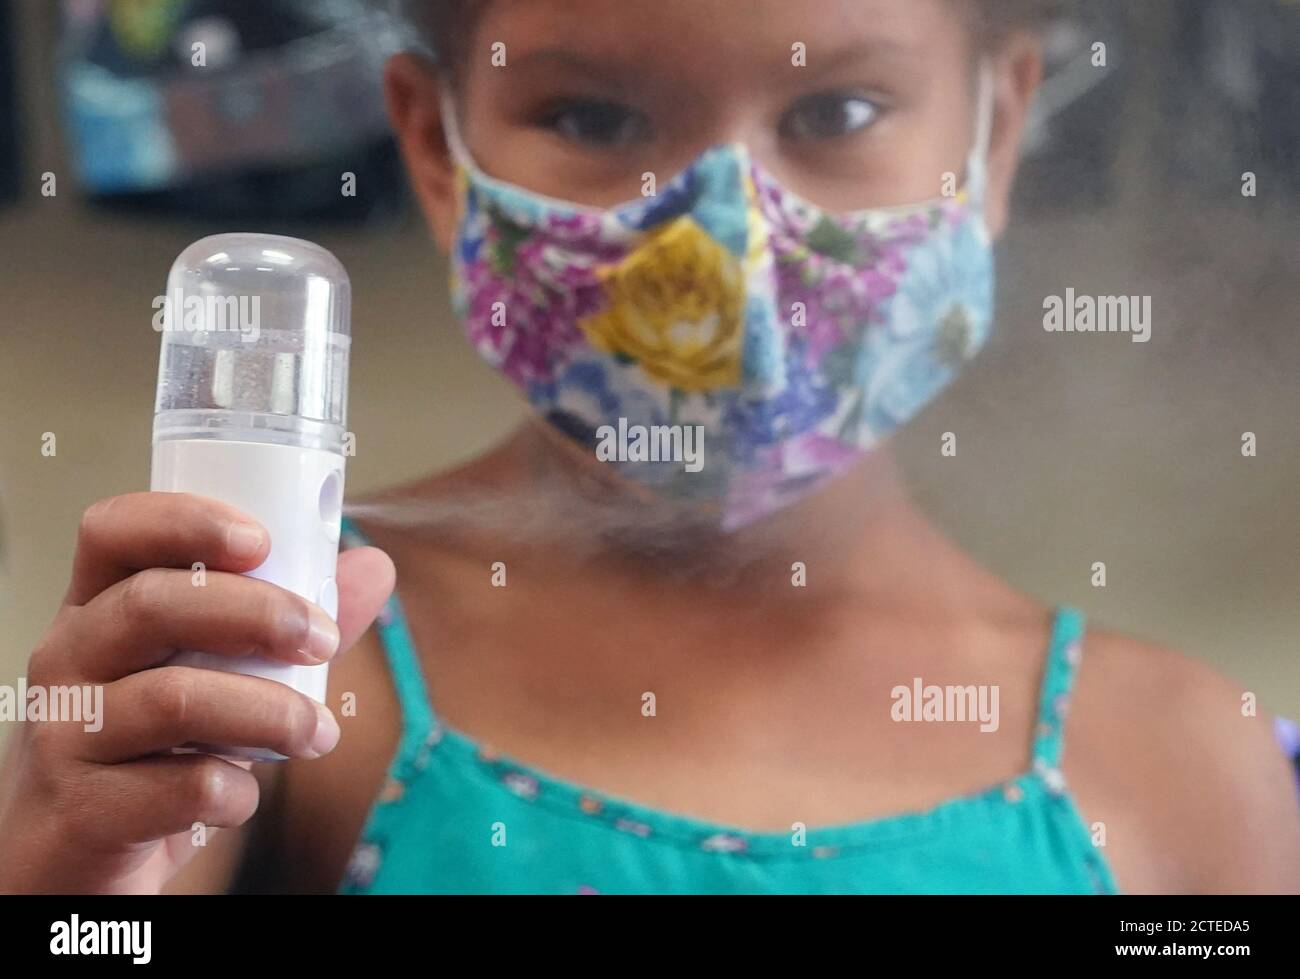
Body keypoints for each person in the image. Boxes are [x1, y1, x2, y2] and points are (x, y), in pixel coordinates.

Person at [2, 0, 1298, 894]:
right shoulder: (281, 664)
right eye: (598, 119)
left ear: (996, 133)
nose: (721, 242)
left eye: (840, 111)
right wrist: (70, 867)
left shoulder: (1181, 756)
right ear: (435, 151)